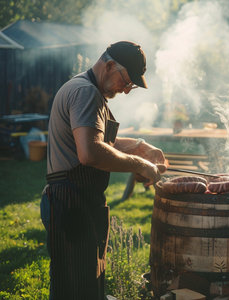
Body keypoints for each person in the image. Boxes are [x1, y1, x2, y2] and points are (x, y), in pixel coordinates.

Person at [40, 41, 167, 300]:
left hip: (77, 201)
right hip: (71, 203)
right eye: (127, 82)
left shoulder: (84, 88)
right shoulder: (85, 92)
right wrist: (142, 165)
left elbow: (97, 140)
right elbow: (90, 152)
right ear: (110, 66)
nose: (127, 91)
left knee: (80, 283)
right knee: (77, 289)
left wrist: (140, 147)